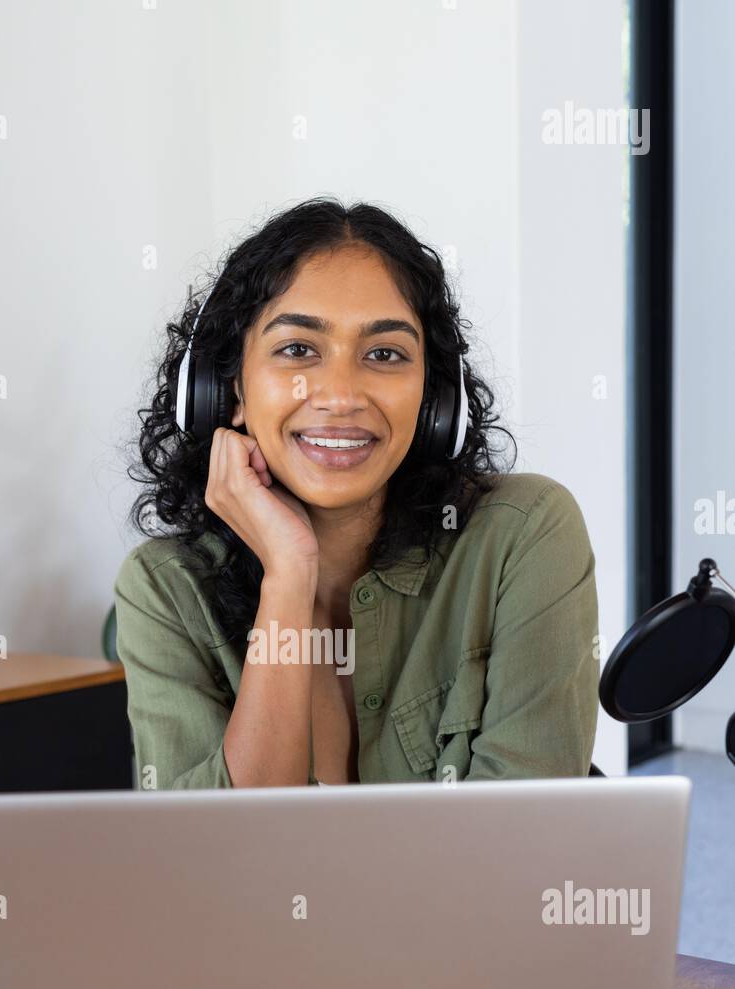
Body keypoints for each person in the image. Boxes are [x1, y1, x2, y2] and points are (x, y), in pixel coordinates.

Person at [115, 197, 599, 789]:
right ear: (228, 390)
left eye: (384, 354)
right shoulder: (164, 588)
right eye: (297, 350)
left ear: (433, 403)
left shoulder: (525, 533)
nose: (341, 395)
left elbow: (527, 843)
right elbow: (214, 862)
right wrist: (289, 575)